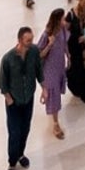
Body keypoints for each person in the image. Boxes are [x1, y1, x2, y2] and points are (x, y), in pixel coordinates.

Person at [0, 26, 42, 170]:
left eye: (31, 40)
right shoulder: (8, 59)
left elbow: (39, 70)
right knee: (14, 132)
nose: (30, 43)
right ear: (19, 41)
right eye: (27, 41)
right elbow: (3, 84)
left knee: (25, 129)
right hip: (14, 102)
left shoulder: (34, 52)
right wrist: (9, 100)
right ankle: (12, 163)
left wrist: (44, 88)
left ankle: (20, 154)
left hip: (28, 99)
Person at [36, 9, 70, 140]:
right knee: (54, 94)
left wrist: (68, 55)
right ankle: (56, 123)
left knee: (55, 91)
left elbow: (64, 43)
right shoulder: (47, 35)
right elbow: (39, 54)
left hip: (59, 65)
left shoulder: (61, 30)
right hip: (49, 69)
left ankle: (47, 93)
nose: (64, 21)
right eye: (62, 19)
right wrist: (49, 45)